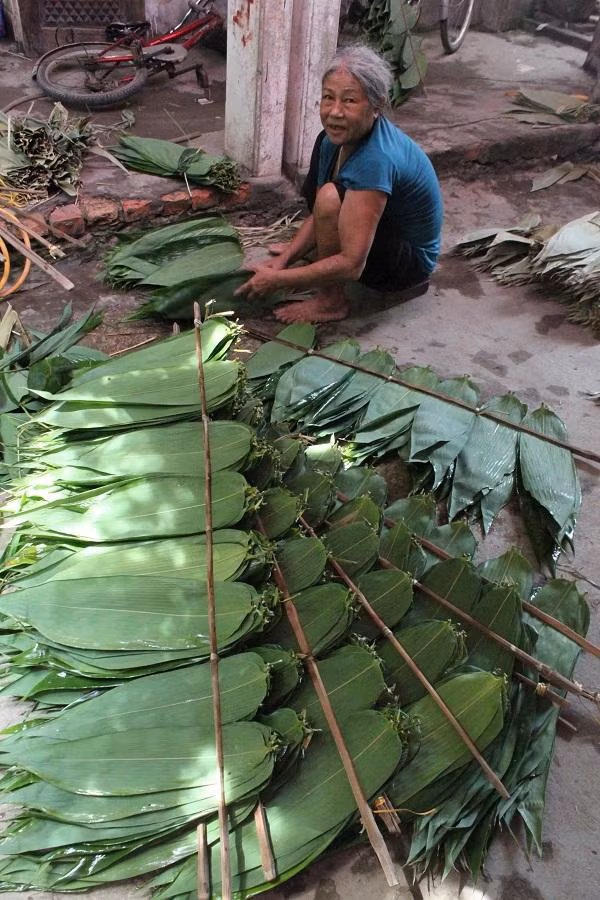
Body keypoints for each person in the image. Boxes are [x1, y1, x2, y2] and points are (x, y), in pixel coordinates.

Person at [234, 43, 443, 323]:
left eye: (349, 101)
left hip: (407, 264)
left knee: (333, 196)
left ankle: (331, 302)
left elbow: (352, 265)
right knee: (327, 196)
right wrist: (286, 257)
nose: (335, 112)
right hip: (379, 232)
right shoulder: (331, 140)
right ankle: (319, 264)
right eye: (328, 98)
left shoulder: (377, 158)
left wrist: (278, 279)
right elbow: (323, 210)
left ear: (377, 106)